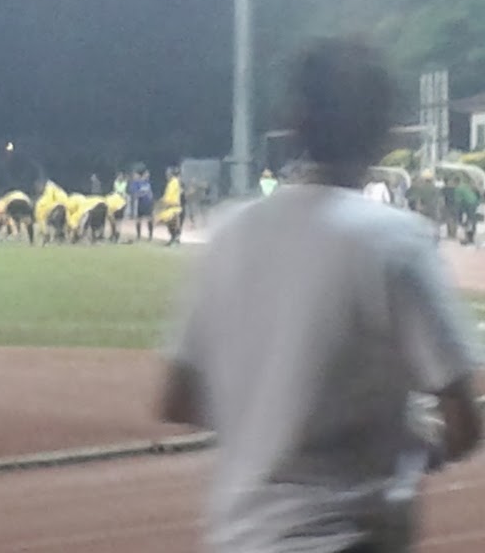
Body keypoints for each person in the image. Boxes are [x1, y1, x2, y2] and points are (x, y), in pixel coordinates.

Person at [160, 37, 482, 553]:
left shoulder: (228, 232)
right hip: (348, 537)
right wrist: (413, 441)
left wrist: (272, 423)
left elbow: (179, 398)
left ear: (293, 123)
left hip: (237, 538)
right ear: (383, 131)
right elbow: (463, 423)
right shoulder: (396, 241)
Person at [155, 166, 184, 246]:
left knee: (173, 223)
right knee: (168, 222)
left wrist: (166, 202)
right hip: (169, 207)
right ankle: (174, 238)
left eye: (168, 173)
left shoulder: (174, 182)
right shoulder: (170, 183)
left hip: (174, 207)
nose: (166, 175)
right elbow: (167, 196)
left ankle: (175, 239)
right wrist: (162, 201)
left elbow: (171, 196)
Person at [453, 177, 480, 246]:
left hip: (468, 204)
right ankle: (471, 238)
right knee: (471, 220)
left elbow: (457, 201)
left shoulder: (458, 188)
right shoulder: (465, 186)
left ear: (455, 182)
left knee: (467, 221)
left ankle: (467, 238)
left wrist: (457, 214)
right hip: (474, 202)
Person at [133, 170, 154, 241]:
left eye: (148, 175)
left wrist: (151, 199)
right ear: (143, 175)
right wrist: (143, 193)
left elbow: (150, 193)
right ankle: (138, 236)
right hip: (141, 203)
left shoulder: (148, 183)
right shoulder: (138, 183)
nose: (148, 176)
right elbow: (136, 194)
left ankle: (150, 236)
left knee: (150, 219)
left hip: (148, 203)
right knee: (138, 220)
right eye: (146, 175)